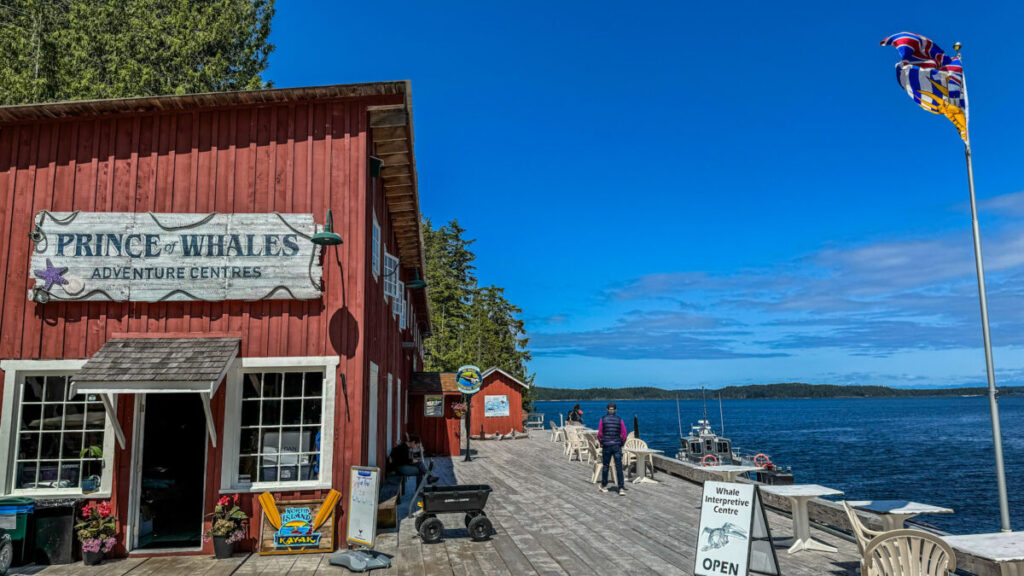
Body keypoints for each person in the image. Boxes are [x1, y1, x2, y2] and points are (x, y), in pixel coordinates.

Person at [597, 402, 627, 495]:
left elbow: (599, 434)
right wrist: (621, 443)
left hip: (606, 445)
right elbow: (624, 434)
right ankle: (621, 488)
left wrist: (602, 442)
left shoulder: (603, 419)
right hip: (617, 445)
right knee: (619, 467)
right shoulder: (619, 420)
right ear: (615, 410)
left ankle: (604, 486)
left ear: (607, 410)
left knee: (605, 466)